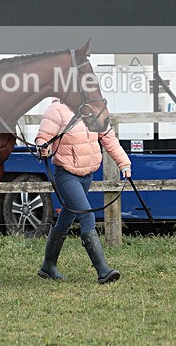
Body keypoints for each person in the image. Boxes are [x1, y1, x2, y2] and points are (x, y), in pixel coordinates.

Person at [35, 98, 131, 284]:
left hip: (87, 175)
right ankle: (103, 271)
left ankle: (48, 266)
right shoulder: (57, 109)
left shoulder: (92, 108)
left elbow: (108, 137)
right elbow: (43, 136)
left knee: (66, 218)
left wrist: (124, 163)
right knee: (87, 215)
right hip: (67, 174)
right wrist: (42, 147)